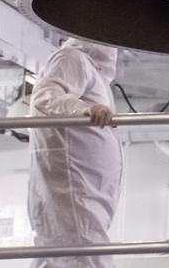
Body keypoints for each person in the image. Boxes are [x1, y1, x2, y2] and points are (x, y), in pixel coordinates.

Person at [28, 39, 123, 268]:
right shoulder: (72, 57)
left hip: (86, 190)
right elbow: (46, 96)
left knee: (68, 253)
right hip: (74, 187)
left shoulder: (92, 71)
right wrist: (84, 110)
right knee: (82, 255)